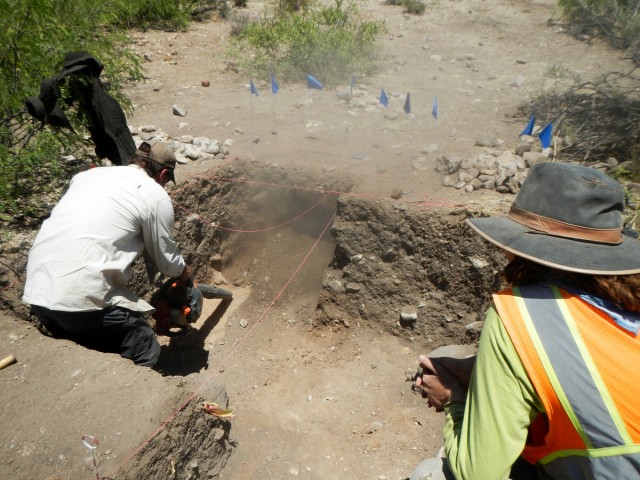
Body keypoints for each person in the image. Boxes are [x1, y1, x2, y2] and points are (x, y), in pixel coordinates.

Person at [412, 162, 640, 479]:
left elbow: (478, 474)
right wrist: (482, 370)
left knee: (432, 473)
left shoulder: (520, 313)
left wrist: (455, 398)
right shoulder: (626, 298)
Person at [22, 141, 192, 367]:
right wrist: (185, 274)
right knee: (142, 342)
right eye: (167, 180)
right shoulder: (155, 195)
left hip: (37, 294)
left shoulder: (86, 177)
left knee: (90, 344)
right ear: (162, 173)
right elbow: (169, 266)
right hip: (80, 301)